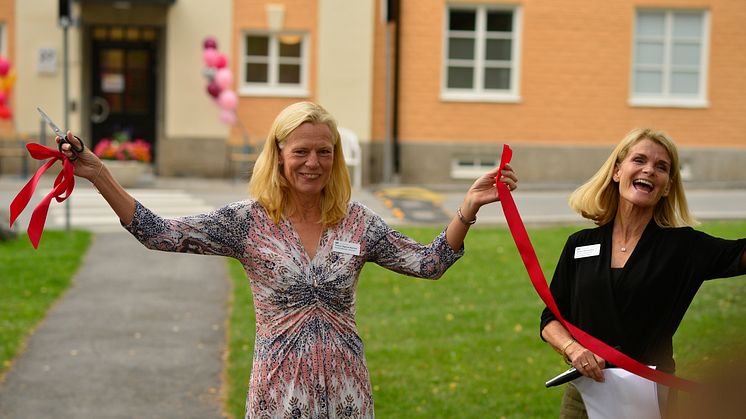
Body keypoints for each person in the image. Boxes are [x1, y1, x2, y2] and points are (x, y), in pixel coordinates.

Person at [58, 101, 518, 419]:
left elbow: (430, 263)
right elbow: (159, 233)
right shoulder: (248, 223)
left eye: (324, 152)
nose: (312, 163)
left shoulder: (356, 222)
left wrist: (469, 207)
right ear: (278, 156)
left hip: (347, 394)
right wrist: (99, 173)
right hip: (279, 394)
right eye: (301, 151)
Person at [539, 128, 746, 418]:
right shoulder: (580, 244)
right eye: (639, 160)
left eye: (661, 167)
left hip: (648, 396)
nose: (649, 170)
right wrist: (573, 349)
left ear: (667, 186)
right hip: (584, 395)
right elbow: (550, 319)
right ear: (617, 171)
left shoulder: (683, 247)